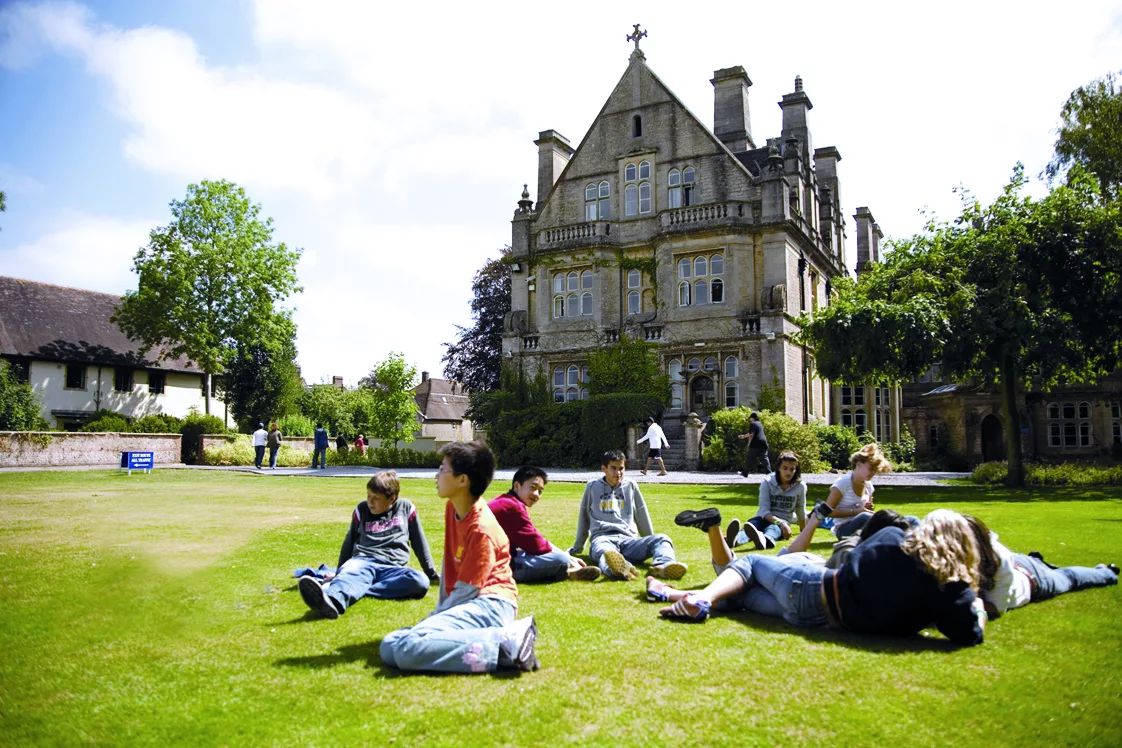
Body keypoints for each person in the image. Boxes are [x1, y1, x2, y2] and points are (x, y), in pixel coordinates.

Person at [658, 509, 988, 648]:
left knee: (753, 564)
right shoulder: (951, 591)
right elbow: (970, 632)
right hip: (823, 622)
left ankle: (699, 598)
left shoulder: (893, 541)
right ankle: (670, 593)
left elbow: (851, 558)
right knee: (742, 598)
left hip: (812, 590)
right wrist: (977, 606)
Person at [380, 441, 539, 674]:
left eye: (443, 469)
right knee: (389, 645)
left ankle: (504, 645)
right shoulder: (453, 508)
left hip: (491, 604)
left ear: (462, 480)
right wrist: (434, 619)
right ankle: (501, 640)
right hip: (470, 603)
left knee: (406, 649)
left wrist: (433, 621)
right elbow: (449, 573)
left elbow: (466, 591)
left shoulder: (481, 529)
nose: (437, 476)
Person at [658, 508, 915, 605]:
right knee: (739, 578)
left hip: (805, 562)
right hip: (807, 576)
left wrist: (812, 521)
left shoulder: (856, 548)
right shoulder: (862, 558)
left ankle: (713, 530)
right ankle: (715, 530)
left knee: (737, 584)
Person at [298, 471, 440, 619]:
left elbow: (419, 541)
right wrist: (339, 572)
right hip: (362, 562)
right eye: (368, 496)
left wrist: (431, 574)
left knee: (420, 581)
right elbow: (349, 541)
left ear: (392, 498)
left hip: (392, 569)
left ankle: (355, 588)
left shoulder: (405, 508)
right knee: (350, 572)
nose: (370, 502)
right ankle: (332, 601)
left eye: (376, 498)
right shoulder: (362, 510)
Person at [963, 515, 1118, 618]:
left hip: (1034, 579)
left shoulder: (999, 559)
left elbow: (997, 607)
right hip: (1018, 562)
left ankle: (1106, 573)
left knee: (1068, 577)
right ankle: (1036, 559)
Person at [569, 450, 687, 581]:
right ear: (604, 468)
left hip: (629, 540)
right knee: (606, 553)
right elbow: (584, 517)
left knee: (662, 539)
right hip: (603, 539)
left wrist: (649, 539)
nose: (618, 473)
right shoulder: (592, 486)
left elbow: (642, 514)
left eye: (621, 468)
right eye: (613, 468)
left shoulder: (631, 485)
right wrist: (577, 547)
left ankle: (663, 566)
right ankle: (620, 569)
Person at [489, 467, 601, 583]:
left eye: (540, 491)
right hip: (493, 564)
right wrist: (567, 557)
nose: (536, 494)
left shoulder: (505, 500)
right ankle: (566, 571)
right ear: (517, 486)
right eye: (532, 488)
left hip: (490, 556)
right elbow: (537, 545)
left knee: (536, 554)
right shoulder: (512, 507)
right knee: (561, 560)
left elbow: (533, 538)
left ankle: (568, 572)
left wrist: (567, 556)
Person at [724, 450, 807, 551]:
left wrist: (803, 530)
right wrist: (781, 523)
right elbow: (764, 510)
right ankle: (736, 540)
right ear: (778, 468)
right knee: (752, 525)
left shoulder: (800, 486)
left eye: (792, 469)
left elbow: (800, 507)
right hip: (764, 517)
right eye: (785, 468)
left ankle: (764, 540)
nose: (788, 472)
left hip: (782, 521)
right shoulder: (767, 482)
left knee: (774, 530)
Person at [807, 443, 891, 539]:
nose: (873, 473)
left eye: (875, 469)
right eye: (871, 468)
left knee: (889, 517)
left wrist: (869, 507)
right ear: (858, 464)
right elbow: (827, 512)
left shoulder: (868, 485)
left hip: (862, 528)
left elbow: (868, 511)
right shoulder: (843, 483)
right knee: (865, 517)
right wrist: (856, 512)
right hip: (843, 529)